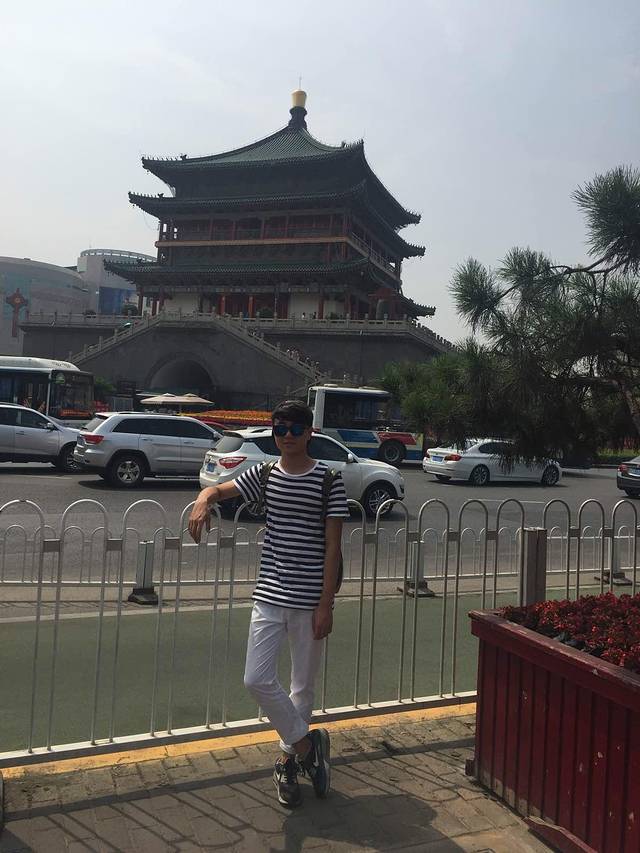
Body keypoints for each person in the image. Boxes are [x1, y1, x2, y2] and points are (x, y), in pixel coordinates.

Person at [188, 400, 349, 808]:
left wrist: (326, 604)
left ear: (309, 432)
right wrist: (204, 498)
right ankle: (307, 746)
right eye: (280, 429)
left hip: (310, 598)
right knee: (256, 679)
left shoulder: (329, 480)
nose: (287, 436)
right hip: (270, 594)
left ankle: (287, 761)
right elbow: (220, 489)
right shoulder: (265, 473)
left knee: (302, 687)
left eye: (295, 429)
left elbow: (333, 547)